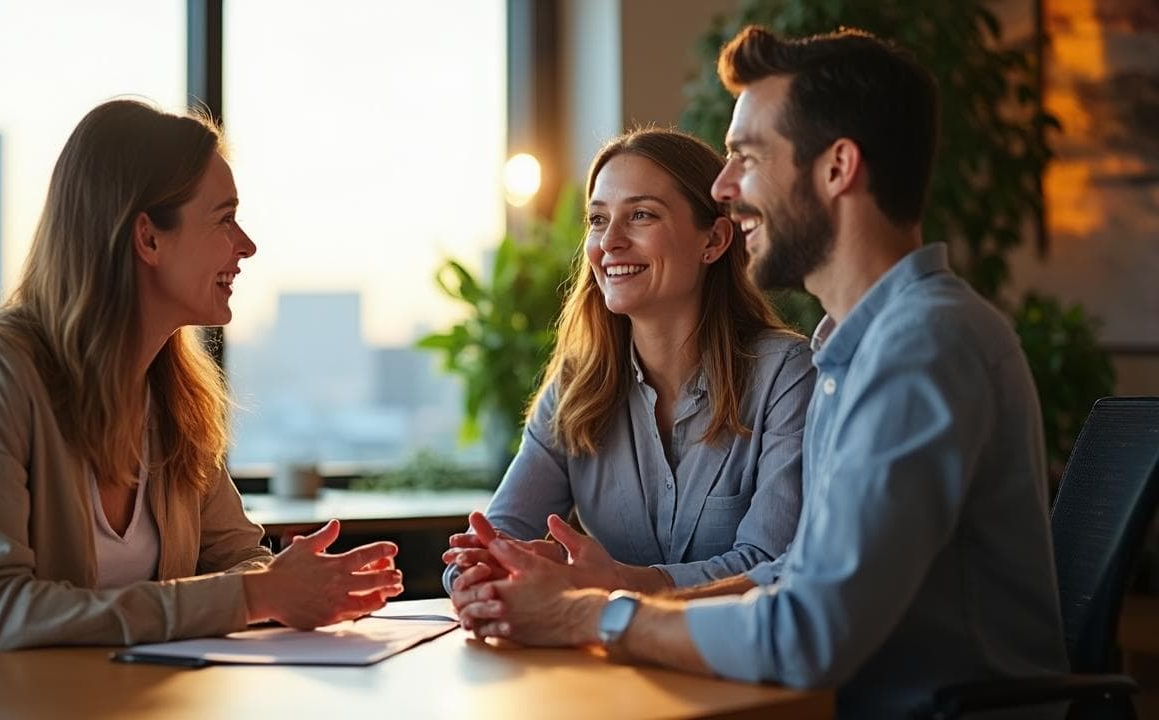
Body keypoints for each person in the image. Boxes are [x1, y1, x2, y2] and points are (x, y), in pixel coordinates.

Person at [454, 27, 1068, 719]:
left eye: (747, 156)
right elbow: (789, 575)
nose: (723, 185)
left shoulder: (921, 346)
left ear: (837, 168)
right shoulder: (855, 348)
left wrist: (587, 616)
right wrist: (606, 601)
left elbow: (810, 632)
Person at [0, 99, 403, 658]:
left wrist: (283, 586)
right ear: (148, 238)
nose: (246, 246)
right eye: (224, 218)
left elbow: (240, 562)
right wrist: (255, 595)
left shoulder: (172, 395)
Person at [443, 128, 814, 607]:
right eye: (598, 220)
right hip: (611, 669)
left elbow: (773, 564)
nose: (609, 242)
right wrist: (481, 569)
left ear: (715, 239)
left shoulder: (786, 376)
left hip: (741, 672)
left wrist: (618, 581)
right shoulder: (578, 388)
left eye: (641, 215)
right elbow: (496, 536)